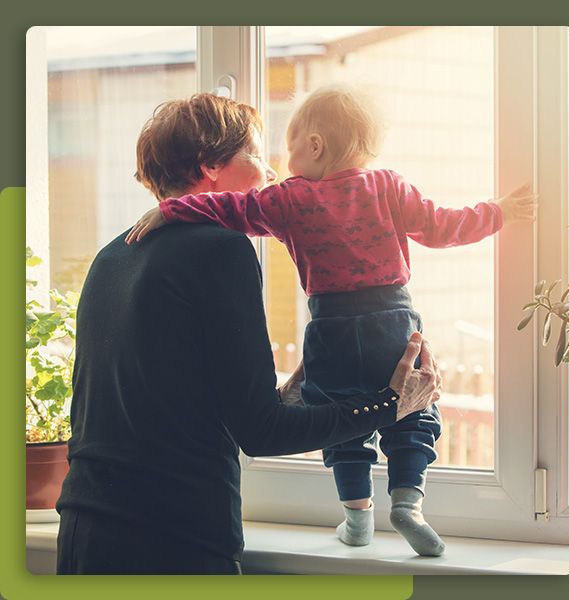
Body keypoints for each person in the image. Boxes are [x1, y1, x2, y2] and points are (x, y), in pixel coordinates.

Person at [126, 84, 537, 557]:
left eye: (286, 147)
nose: (275, 167)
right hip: (394, 319)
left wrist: (169, 208)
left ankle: (357, 516)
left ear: (315, 146)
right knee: (416, 407)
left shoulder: (286, 200)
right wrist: (499, 212)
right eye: (263, 154)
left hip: (332, 327)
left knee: (338, 414)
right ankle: (408, 501)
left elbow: (231, 208)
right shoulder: (387, 186)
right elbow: (443, 225)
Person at [55, 92, 442, 575]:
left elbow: (179, 411)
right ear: (211, 166)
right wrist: (390, 405)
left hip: (82, 538)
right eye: (256, 155)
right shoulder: (220, 248)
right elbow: (260, 433)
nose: (272, 172)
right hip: (173, 545)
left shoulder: (112, 257)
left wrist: (299, 388)